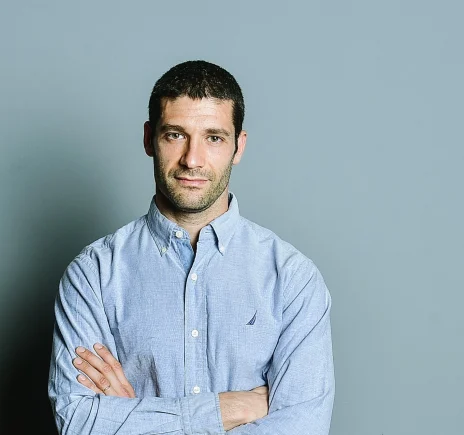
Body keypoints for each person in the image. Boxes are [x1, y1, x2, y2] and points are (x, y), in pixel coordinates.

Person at [48, 60, 335, 434]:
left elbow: (302, 428)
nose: (192, 159)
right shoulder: (93, 274)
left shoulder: (293, 279)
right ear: (149, 138)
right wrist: (227, 409)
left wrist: (132, 417)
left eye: (213, 138)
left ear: (238, 146)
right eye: (175, 135)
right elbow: (78, 422)